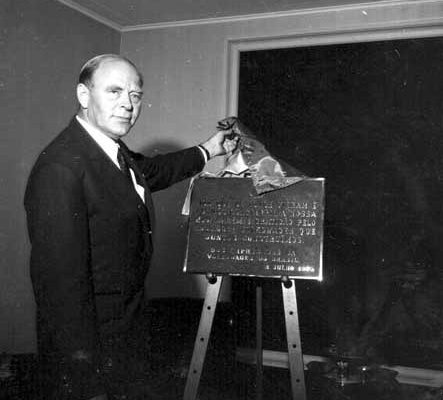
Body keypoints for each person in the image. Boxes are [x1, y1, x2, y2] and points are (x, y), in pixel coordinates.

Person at [24, 54, 238, 400]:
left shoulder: (111, 151)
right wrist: (86, 383)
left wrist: (209, 149)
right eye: (114, 91)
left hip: (126, 335)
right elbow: (60, 292)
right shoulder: (60, 167)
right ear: (83, 95)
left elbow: (151, 172)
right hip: (90, 356)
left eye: (135, 95)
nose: (128, 104)